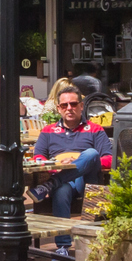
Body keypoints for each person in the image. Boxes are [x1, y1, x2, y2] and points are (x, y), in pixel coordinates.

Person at [29, 89, 116, 229]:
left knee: (91, 153)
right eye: (64, 105)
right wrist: (57, 165)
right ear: (59, 108)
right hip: (62, 180)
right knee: (61, 192)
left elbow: (110, 159)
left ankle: (51, 184)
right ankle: (63, 241)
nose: (69, 108)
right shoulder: (48, 131)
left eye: (73, 104)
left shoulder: (95, 129)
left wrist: (78, 160)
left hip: (86, 182)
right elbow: (38, 157)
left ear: (81, 106)